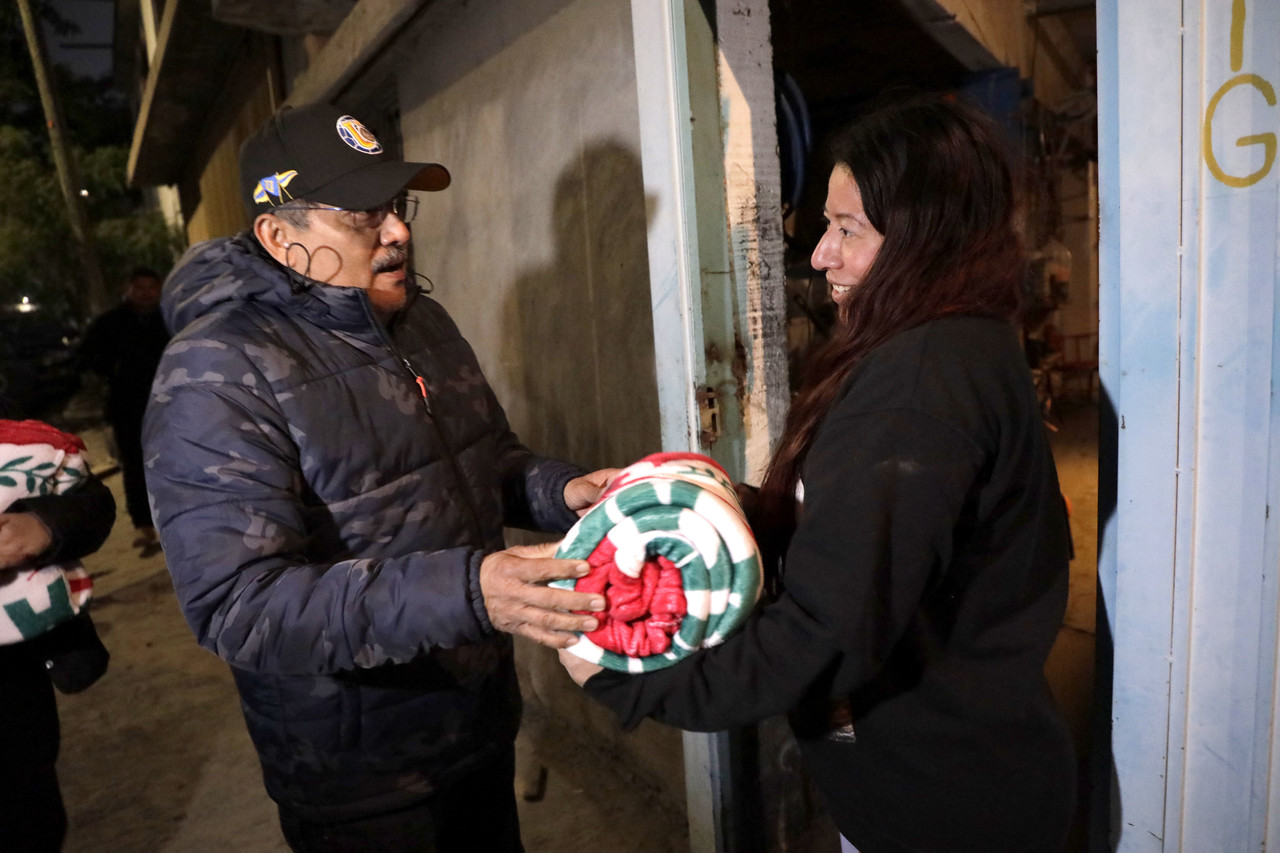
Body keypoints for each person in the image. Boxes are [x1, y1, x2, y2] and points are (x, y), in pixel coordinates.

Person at [560, 94, 1076, 853]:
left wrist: (625, 679)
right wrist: (715, 504)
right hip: (957, 774)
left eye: (848, 231)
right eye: (828, 225)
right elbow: (872, 525)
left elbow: (825, 633)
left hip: (944, 809)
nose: (820, 255)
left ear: (926, 241)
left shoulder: (917, 386)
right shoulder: (959, 340)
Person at [141, 102, 612, 852]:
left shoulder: (420, 322)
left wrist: (569, 492)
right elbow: (239, 605)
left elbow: (485, 462)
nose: (396, 230)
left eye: (395, 205)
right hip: (361, 772)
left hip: (476, 725)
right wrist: (468, 590)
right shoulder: (217, 370)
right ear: (278, 234)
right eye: (361, 213)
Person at [0, 400, 116, 852]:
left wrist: (43, 525)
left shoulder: (13, 438)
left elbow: (90, 498)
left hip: (11, 677)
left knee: (27, 812)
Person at [79, 266, 170, 551]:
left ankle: (175, 517)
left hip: (170, 403)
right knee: (134, 465)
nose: (145, 294)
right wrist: (114, 370)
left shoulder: (168, 319)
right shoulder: (110, 323)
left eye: (151, 288)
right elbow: (88, 357)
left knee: (174, 459)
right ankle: (143, 525)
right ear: (128, 289)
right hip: (127, 407)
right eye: (139, 287)